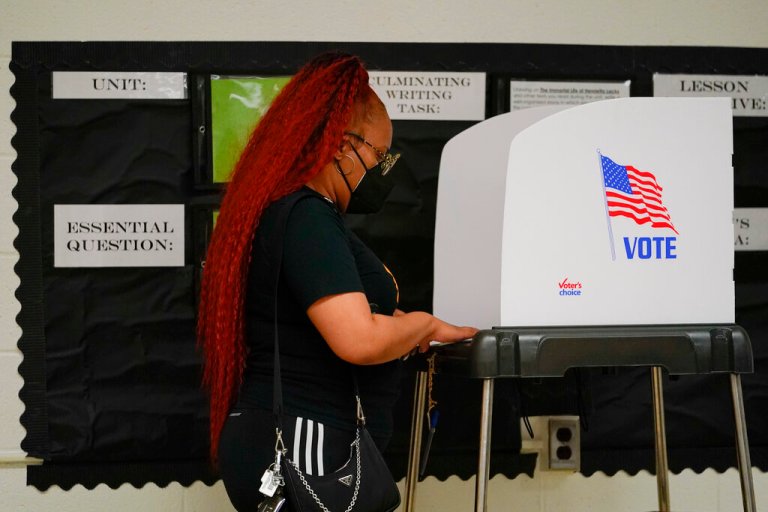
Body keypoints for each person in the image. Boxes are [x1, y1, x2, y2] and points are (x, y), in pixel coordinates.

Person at [198, 52, 478, 511]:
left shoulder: (300, 212)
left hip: (306, 438)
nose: (383, 170)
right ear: (341, 145)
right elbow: (358, 338)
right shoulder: (306, 217)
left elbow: (344, 320)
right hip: (306, 442)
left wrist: (409, 328)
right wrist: (425, 325)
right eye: (379, 154)